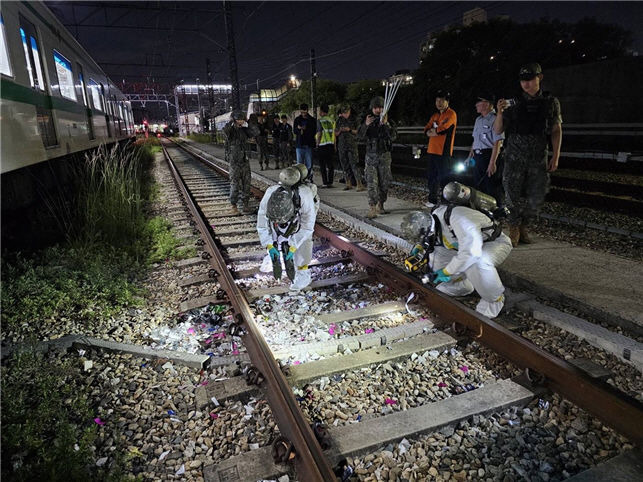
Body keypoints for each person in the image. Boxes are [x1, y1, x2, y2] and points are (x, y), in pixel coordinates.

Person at [400, 182, 512, 318]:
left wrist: (447, 271)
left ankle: (494, 301)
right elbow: (437, 239)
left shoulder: (460, 220)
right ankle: (464, 285)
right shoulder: (434, 216)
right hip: (461, 245)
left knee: (478, 262)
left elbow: (472, 253)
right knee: (440, 278)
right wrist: (421, 246)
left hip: (491, 244)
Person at [493, 62, 563, 247]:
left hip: (538, 156)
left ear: (539, 78)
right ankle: (514, 227)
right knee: (512, 194)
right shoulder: (513, 103)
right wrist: (499, 113)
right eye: (523, 80)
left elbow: (556, 130)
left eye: (530, 79)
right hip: (514, 156)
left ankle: (524, 226)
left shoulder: (550, 102)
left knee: (535, 195)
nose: (526, 84)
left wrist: (555, 156)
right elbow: (498, 130)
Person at [257, 164, 320, 290]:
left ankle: (303, 273)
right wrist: (269, 245)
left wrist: (293, 246)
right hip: (284, 214)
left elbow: (307, 228)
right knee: (276, 230)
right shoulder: (270, 193)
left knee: (304, 241)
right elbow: (262, 225)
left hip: (302, 213)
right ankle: (274, 255)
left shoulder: (305, 195)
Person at [358, 96, 396, 219]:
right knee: (371, 183)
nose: (378, 110)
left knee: (384, 183)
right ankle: (372, 207)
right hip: (371, 157)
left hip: (384, 156)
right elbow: (359, 136)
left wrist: (386, 125)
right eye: (375, 108)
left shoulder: (388, 121)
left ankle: (381, 204)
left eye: (380, 107)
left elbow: (393, 136)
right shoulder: (368, 120)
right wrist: (366, 125)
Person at [467, 93, 504, 204]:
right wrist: (470, 155)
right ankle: (481, 209)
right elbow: (475, 139)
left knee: (491, 185)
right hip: (478, 156)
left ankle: (496, 210)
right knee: (479, 184)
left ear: (487, 104)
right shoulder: (478, 120)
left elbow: (497, 142)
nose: (476, 105)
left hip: (489, 155)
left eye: (479, 102)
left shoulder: (495, 119)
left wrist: (492, 162)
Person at [424, 91, 457, 204]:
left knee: (444, 177)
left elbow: (443, 129)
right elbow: (426, 129)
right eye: (437, 100)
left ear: (447, 102)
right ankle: (432, 200)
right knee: (431, 176)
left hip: (444, 151)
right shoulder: (435, 115)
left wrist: (433, 131)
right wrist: (433, 132)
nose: (439, 103)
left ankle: (445, 201)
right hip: (432, 150)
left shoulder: (451, 114)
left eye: (442, 100)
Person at [224, 110, 257, 215]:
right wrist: (231, 122)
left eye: (242, 119)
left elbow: (256, 132)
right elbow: (225, 131)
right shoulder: (230, 130)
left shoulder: (245, 130)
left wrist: (247, 123)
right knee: (235, 185)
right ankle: (233, 206)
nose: (240, 121)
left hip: (244, 161)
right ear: (234, 120)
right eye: (238, 119)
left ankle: (245, 205)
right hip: (234, 162)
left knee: (246, 184)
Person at [335, 104, 365, 191]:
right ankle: (348, 183)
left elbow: (359, 132)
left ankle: (359, 183)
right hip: (342, 146)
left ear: (349, 111)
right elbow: (335, 133)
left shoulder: (355, 119)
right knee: (344, 165)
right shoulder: (339, 120)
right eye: (343, 113)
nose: (345, 114)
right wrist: (340, 130)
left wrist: (350, 130)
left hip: (352, 145)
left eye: (346, 112)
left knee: (354, 164)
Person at [293, 103, 317, 178]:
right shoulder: (297, 119)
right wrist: (299, 129)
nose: (303, 114)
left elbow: (314, 131)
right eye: (302, 112)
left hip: (308, 144)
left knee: (309, 164)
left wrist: (306, 129)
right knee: (299, 164)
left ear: (307, 110)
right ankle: (300, 179)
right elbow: (294, 131)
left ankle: (309, 178)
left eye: (304, 112)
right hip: (299, 144)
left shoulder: (312, 120)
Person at [316, 104, 336, 188]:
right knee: (330, 165)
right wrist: (335, 145)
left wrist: (317, 143)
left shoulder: (320, 121)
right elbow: (334, 134)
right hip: (331, 145)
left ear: (321, 111)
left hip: (322, 145)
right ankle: (330, 182)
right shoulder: (332, 120)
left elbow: (319, 133)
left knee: (323, 165)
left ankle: (325, 182)